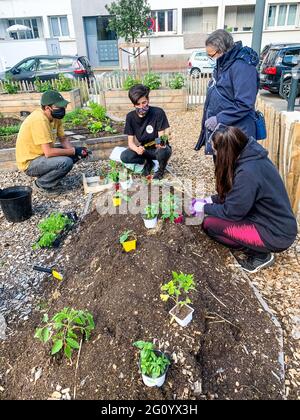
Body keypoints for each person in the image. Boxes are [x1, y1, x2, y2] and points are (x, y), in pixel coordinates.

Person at [195, 126, 298, 274]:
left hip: (275, 233)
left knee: (210, 224)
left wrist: (203, 208)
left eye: (216, 151)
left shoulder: (248, 174)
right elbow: (235, 197)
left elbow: (231, 212)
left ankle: (260, 255)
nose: (214, 154)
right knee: (213, 218)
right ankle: (257, 247)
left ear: (226, 153)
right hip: (271, 221)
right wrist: (208, 200)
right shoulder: (250, 158)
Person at [195, 29, 260, 155]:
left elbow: (244, 104)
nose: (210, 58)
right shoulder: (224, 63)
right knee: (222, 169)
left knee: (235, 170)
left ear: (222, 50)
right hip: (224, 131)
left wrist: (219, 118)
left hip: (237, 134)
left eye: (211, 55)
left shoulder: (242, 67)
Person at [16, 90, 89, 196]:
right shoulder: (39, 120)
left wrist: (76, 152)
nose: (62, 109)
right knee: (66, 162)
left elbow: (63, 139)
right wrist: (73, 151)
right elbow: (49, 152)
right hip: (30, 162)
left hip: (41, 155)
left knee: (71, 155)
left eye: (63, 106)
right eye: (58, 106)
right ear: (47, 108)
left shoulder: (54, 117)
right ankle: (41, 184)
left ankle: (49, 178)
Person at [121, 84, 172, 180]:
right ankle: (148, 162)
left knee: (163, 150)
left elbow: (162, 136)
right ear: (133, 104)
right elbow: (130, 143)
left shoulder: (158, 112)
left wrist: (160, 144)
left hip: (158, 148)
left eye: (144, 103)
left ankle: (160, 170)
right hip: (145, 149)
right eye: (138, 104)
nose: (141, 106)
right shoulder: (130, 117)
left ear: (148, 100)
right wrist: (137, 149)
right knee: (125, 156)